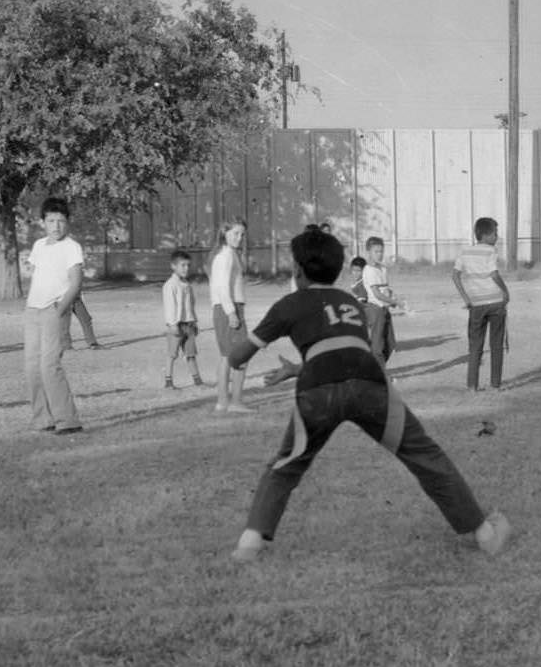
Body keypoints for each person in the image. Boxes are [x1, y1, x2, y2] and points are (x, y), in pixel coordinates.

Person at [226, 226, 512, 563]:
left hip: (319, 390)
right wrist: (298, 368)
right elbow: (347, 354)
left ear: (298, 271)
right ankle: (485, 534)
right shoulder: (348, 301)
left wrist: (246, 346)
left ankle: (249, 545)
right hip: (369, 384)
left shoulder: (289, 304)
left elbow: (237, 358)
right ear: (337, 270)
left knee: (287, 465)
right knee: (423, 455)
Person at [24, 197, 85, 435]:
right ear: (43, 222)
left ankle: (68, 420)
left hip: (54, 310)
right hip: (32, 311)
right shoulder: (39, 246)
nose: (56, 226)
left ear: (67, 222)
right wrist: (31, 306)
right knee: (32, 367)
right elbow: (37, 275)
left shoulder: (72, 247)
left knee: (50, 366)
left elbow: (76, 283)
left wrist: (60, 310)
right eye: (51, 221)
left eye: (61, 221)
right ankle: (43, 419)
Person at [452, 217, 510, 392]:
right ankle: (495, 384)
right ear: (485, 235)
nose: (497, 237)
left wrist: (466, 298)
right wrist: (505, 291)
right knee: (496, 344)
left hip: (476, 304)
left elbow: (455, 276)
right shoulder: (491, 251)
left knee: (475, 346)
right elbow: (494, 274)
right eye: (495, 233)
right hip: (495, 302)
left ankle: (472, 385)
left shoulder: (464, 252)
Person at [209, 218, 252, 413]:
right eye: (235, 233)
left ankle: (224, 401)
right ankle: (233, 401)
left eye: (242, 234)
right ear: (224, 233)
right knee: (240, 355)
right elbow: (221, 287)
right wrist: (231, 312)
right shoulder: (225, 256)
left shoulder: (230, 254)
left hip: (229, 308)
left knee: (227, 356)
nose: (239, 238)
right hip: (228, 308)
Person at [162, 249, 204, 388]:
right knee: (172, 354)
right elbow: (169, 306)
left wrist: (194, 321)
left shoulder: (187, 285)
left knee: (191, 354)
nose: (186, 268)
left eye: (188, 265)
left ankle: (197, 381)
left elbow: (191, 305)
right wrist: (172, 324)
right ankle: (168, 382)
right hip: (176, 325)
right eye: (182, 265)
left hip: (188, 325)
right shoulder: (170, 285)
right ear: (173, 266)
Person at [360, 236, 398, 362]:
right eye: (376, 251)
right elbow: (376, 294)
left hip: (385, 309)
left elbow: (385, 289)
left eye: (381, 251)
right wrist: (394, 302)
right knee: (377, 345)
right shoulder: (369, 270)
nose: (379, 254)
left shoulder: (382, 268)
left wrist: (391, 297)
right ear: (368, 252)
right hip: (375, 310)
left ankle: (374, 368)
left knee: (390, 343)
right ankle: (379, 374)